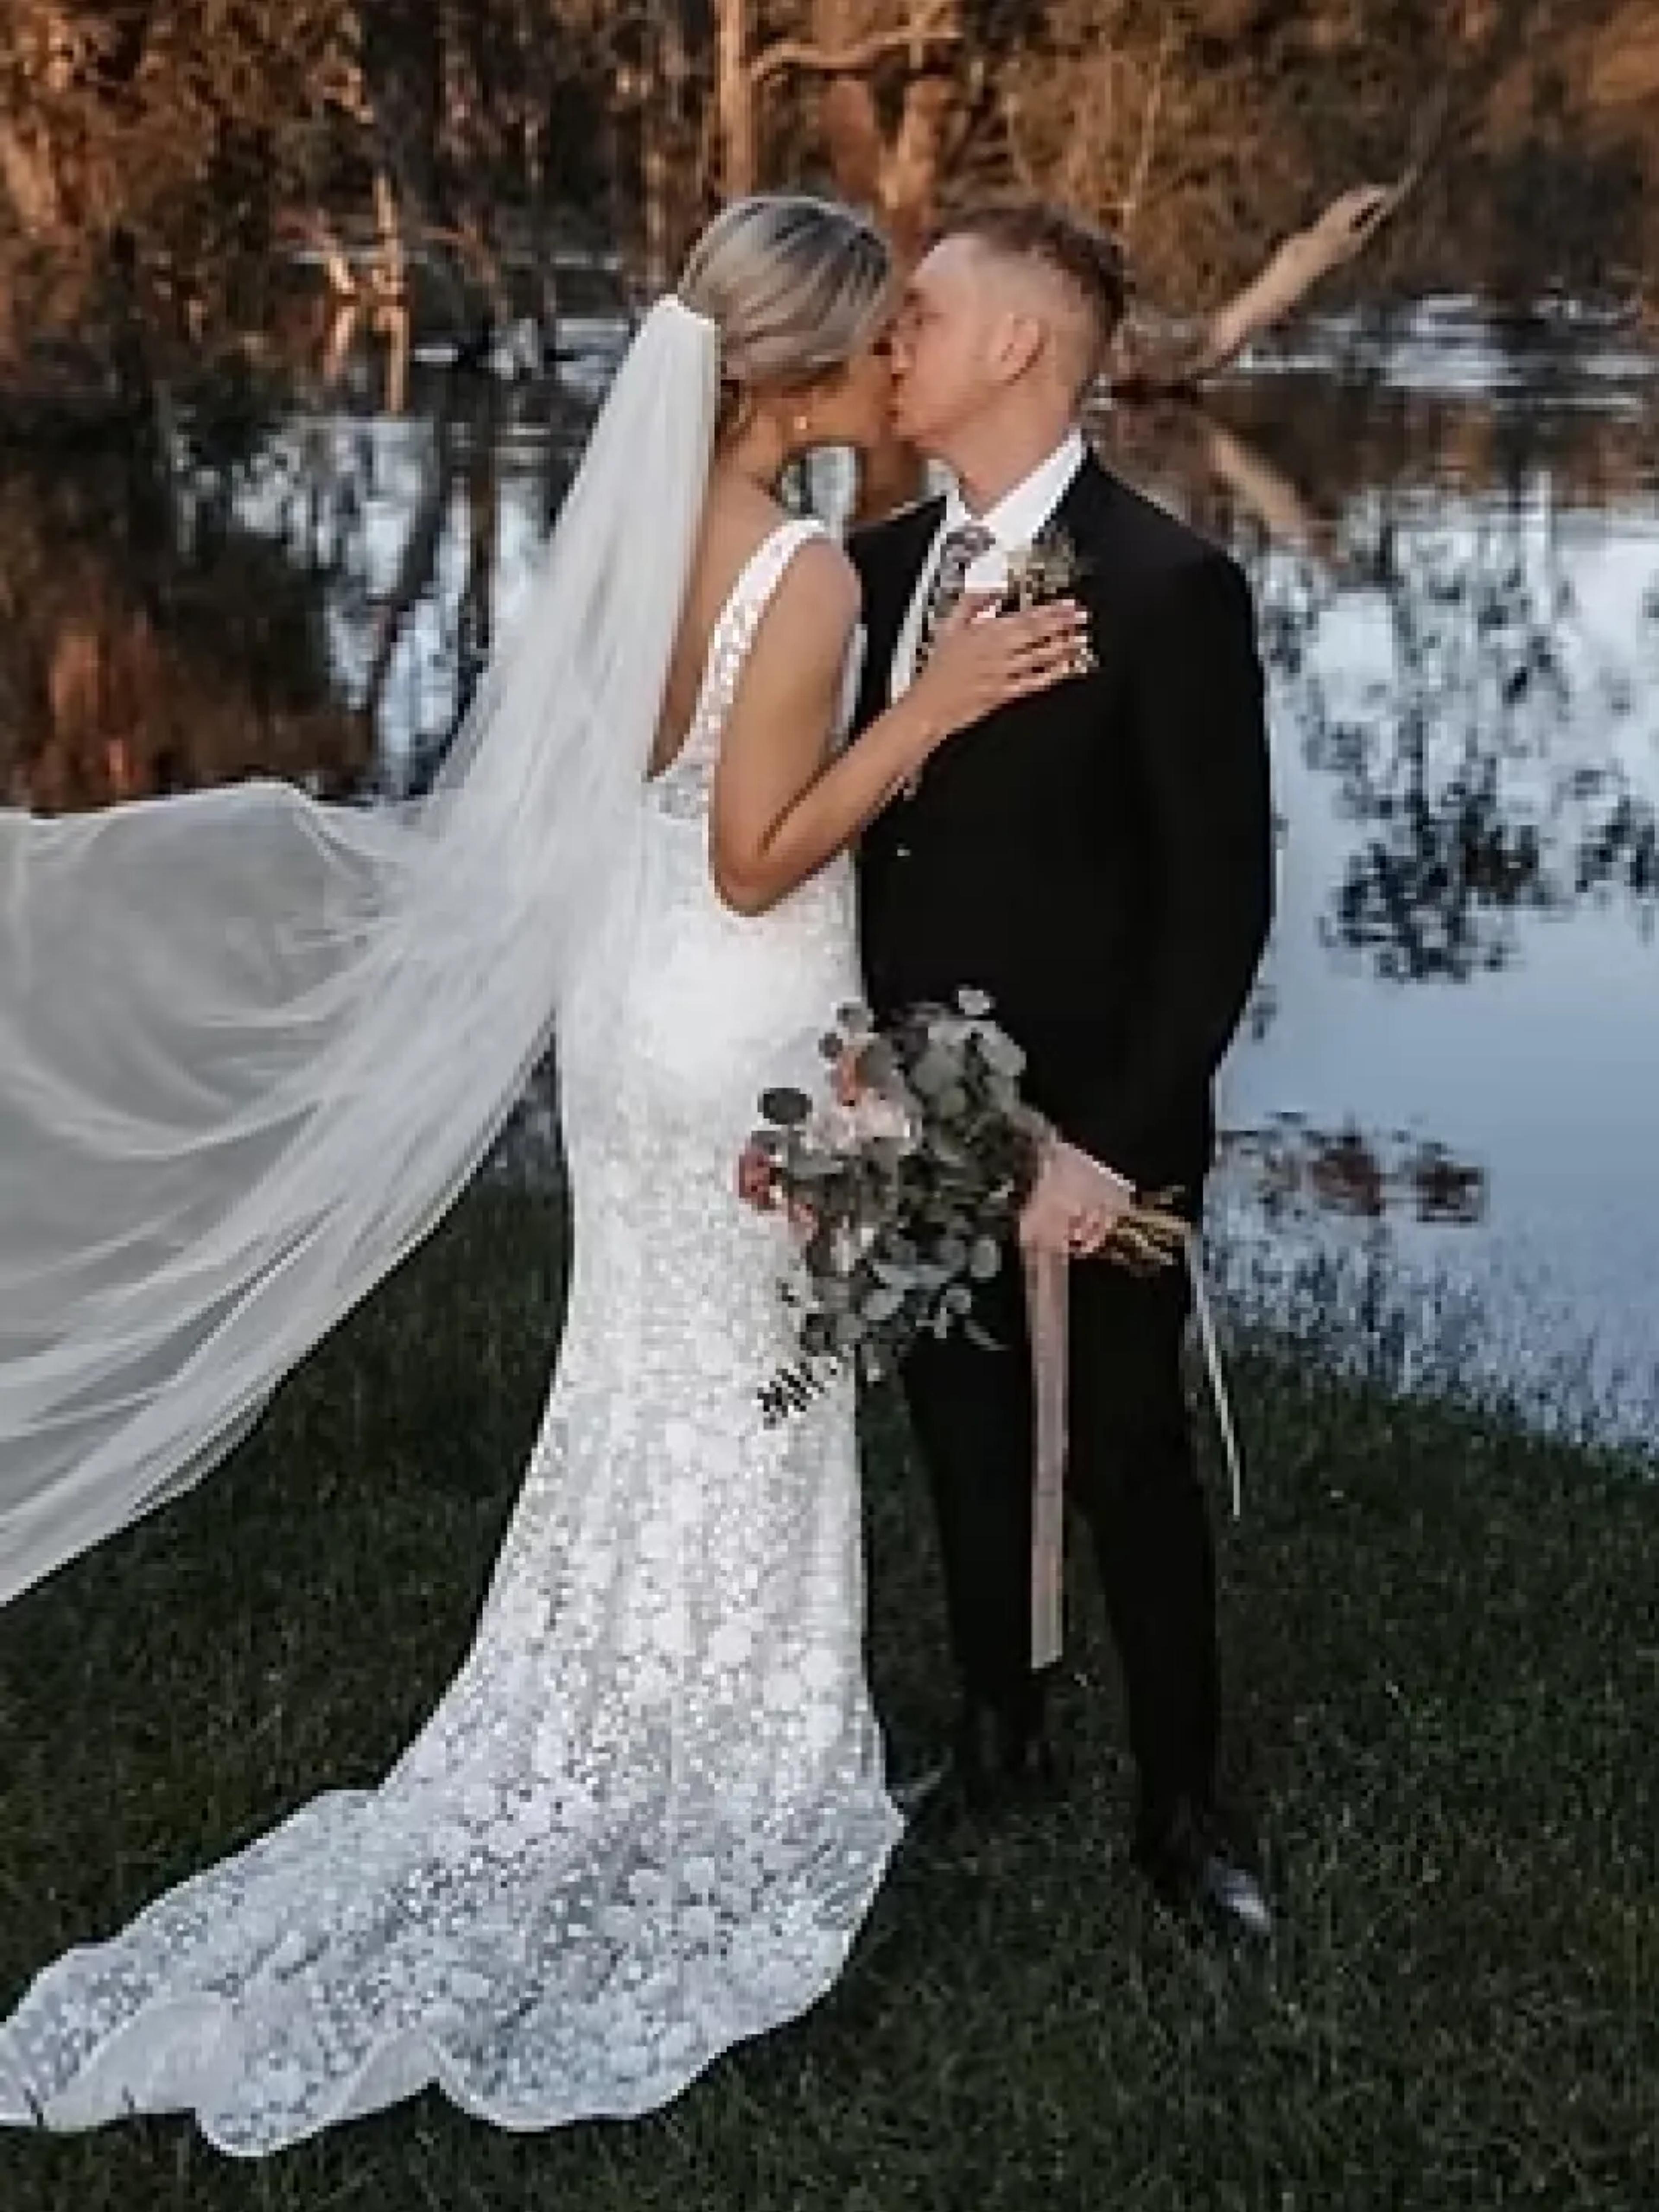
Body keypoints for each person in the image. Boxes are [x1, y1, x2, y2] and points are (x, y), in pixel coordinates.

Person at [0, 196, 1088, 2155]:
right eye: (875, 341)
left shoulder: (637, 538)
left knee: (642, 1374)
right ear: (805, 371)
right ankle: (737, 1768)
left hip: (625, 1015)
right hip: (742, 1015)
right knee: (741, 1404)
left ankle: (606, 1712)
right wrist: (935, 712)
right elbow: (761, 855)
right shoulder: (815, 582)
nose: (896, 370)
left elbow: (644, 804)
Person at [850, 203, 1276, 1937]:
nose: (896, 338)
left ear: (1020, 344)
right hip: (909, 1118)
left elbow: (1218, 905)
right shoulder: (872, 575)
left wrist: (1112, 1142)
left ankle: (1185, 1812)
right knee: (956, 1427)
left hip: (1099, 1130)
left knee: (1123, 1452)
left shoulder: (1171, 587)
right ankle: (998, 1731)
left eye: (926, 313)